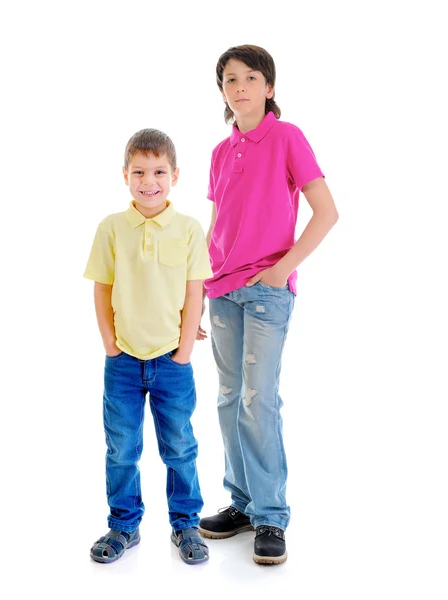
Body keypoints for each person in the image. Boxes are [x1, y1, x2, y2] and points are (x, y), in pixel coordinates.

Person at [198, 45, 339, 565]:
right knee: (229, 400)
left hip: (265, 292)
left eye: (251, 77)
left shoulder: (287, 137)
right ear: (222, 92)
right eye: (230, 79)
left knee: (260, 401)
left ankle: (271, 515)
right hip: (220, 290)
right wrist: (197, 288)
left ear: (269, 87)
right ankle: (241, 503)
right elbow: (215, 229)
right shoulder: (218, 151)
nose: (240, 87)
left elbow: (326, 211)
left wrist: (281, 269)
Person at [84, 128, 213, 565]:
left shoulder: (189, 229)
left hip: (172, 361)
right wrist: (109, 344)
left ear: (174, 175)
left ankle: (186, 524)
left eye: (158, 171)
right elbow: (102, 289)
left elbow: (195, 292)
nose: (149, 180)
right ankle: (123, 525)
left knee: (180, 446)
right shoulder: (112, 228)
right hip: (122, 360)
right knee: (121, 447)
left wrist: (184, 351)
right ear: (125, 175)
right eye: (139, 171)